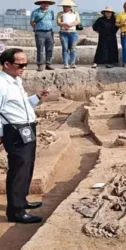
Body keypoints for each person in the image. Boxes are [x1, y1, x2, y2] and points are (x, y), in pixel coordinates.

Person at [0, 48, 50, 223]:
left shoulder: (16, 81)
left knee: (27, 166)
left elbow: (20, 106)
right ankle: (16, 212)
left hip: (26, 128)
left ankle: (21, 200)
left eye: (25, 64)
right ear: (6, 65)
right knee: (18, 169)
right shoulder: (2, 85)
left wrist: (36, 98)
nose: (23, 68)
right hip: (14, 131)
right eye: (20, 64)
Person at [30, 0, 55, 72]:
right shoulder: (35, 12)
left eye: (47, 3)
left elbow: (51, 20)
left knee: (50, 49)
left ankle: (48, 64)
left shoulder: (51, 12)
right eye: (44, 3)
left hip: (49, 32)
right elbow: (32, 22)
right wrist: (36, 29)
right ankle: (40, 65)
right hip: (40, 32)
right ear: (40, 4)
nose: (45, 4)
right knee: (40, 49)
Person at [56, 0, 81, 69]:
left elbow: (78, 21)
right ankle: (66, 63)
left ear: (70, 7)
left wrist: (70, 25)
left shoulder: (75, 13)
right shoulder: (60, 13)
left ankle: (72, 63)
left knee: (73, 48)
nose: (65, 7)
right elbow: (58, 22)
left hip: (73, 32)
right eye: (64, 6)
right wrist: (65, 24)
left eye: (67, 6)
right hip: (64, 33)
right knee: (65, 48)